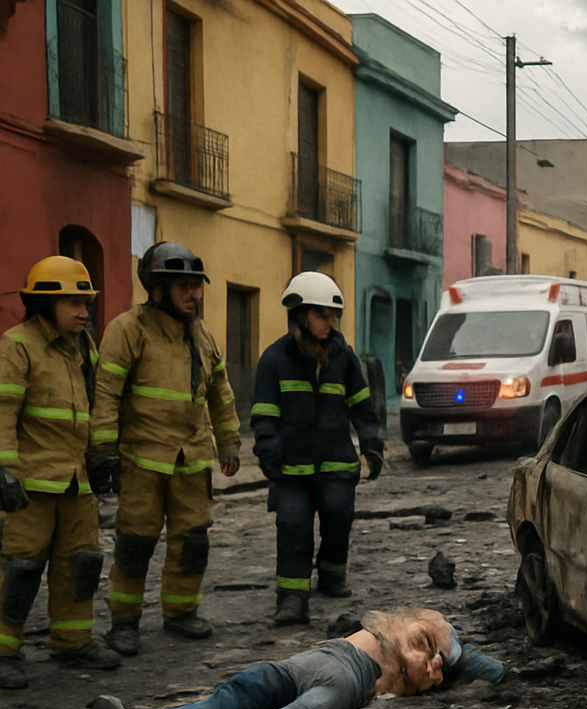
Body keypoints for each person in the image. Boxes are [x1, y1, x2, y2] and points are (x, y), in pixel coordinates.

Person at [87, 607, 505, 709]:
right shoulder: (391, 625)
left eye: (436, 661)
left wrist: (456, 658)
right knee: (233, 695)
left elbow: (492, 670)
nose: (429, 656)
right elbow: (431, 626)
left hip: (349, 677)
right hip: (303, 662)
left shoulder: (404, 667)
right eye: (425, 642)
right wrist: (444, 644)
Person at [91, 241, 242, 654]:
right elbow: (106, 394)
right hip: (143, 458)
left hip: (191, 457)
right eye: (183, 287)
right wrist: (103, 448)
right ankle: (124, 621)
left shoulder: (202, 334)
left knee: (193, 539)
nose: (193, 295)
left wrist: (227, 441)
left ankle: (181, 612)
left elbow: (220, 392)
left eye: (196, 287)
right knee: (136, 542)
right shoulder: (128, 330)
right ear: (158, 289)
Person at [0, 257, 121, 685]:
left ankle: (73, 642)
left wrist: (102, 454)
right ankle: (3, 650)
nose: (84, 311)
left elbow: (91, 407)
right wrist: (4, 470)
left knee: (81, 562)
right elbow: (4, 410)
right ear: (44, 304)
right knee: (20, 567)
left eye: (86, 301)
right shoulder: (17, 346)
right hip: (31, 482)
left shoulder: (83, 347)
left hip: (76, 481)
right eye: (73, 302)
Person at [252, 272, 382, 626]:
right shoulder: (274, 360)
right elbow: (263, 416)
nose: (331, 323)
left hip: (337, 464)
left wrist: (372, 446)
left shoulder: (344, 358)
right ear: (299, 315)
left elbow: (362, 409)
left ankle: (331, 574)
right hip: (292, 469)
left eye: (333, 316)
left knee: (340, 517)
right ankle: (292, 597)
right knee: (293, 525)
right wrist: (269, 451)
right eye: (322, 315)